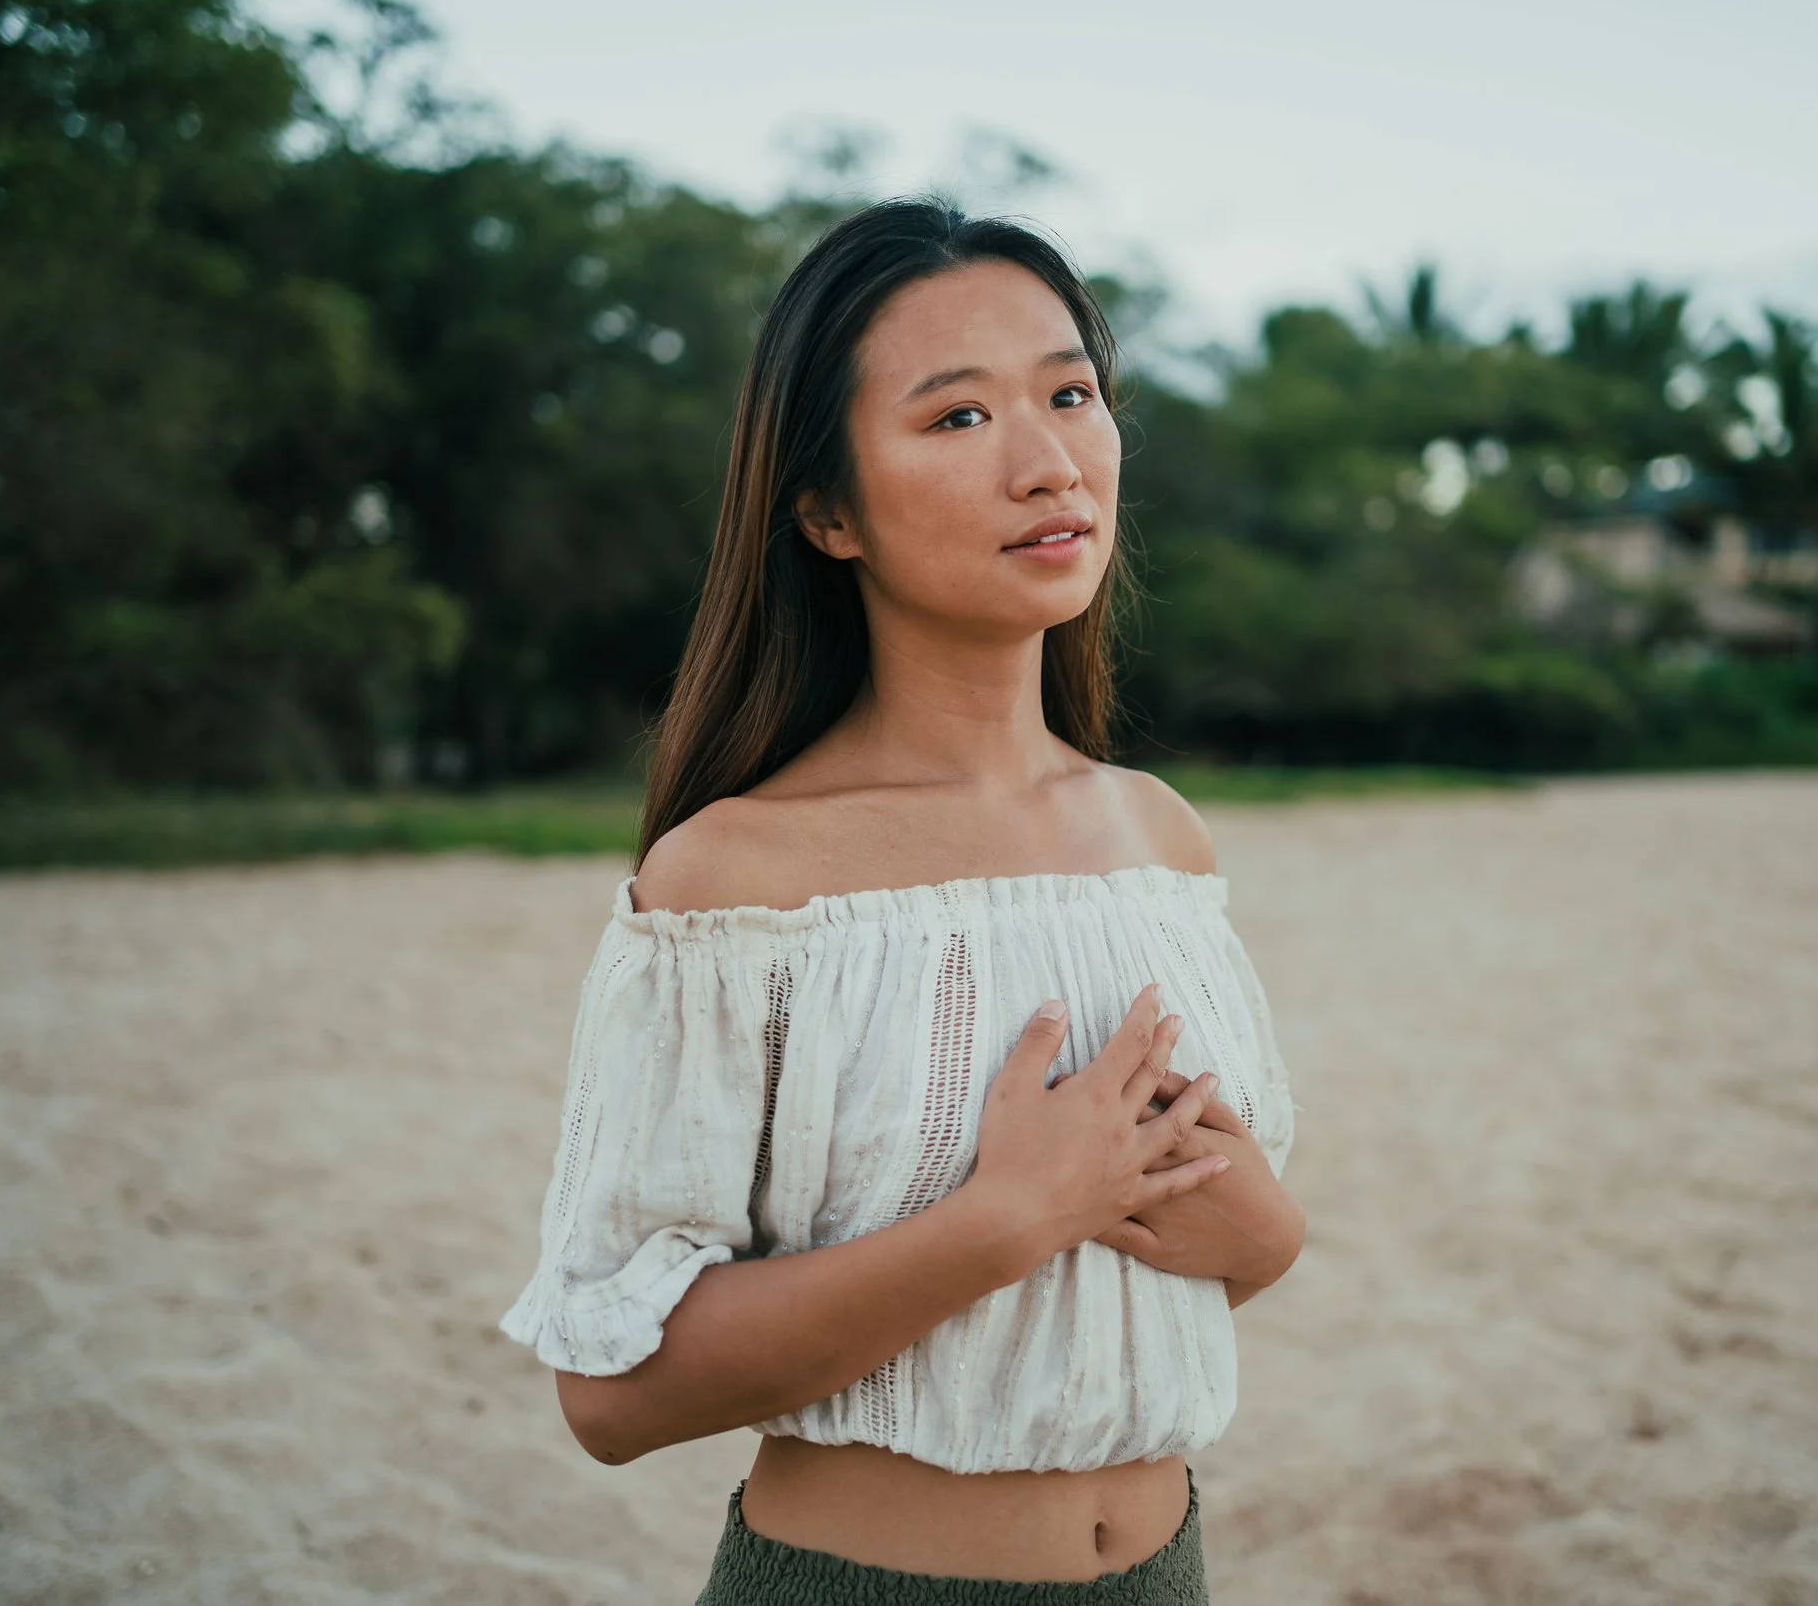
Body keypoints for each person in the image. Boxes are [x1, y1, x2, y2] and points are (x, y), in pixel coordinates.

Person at [498, 197, 1306, 1604]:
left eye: (1071, 393)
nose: (1051, 460)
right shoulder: (737, 880)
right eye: (957, 419)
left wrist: (1266, 1238)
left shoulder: (1159, 842)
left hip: (1167, 1574)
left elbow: (1179, 1259)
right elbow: (609, 1392)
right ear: (825, 510)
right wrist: (1001, 1221)